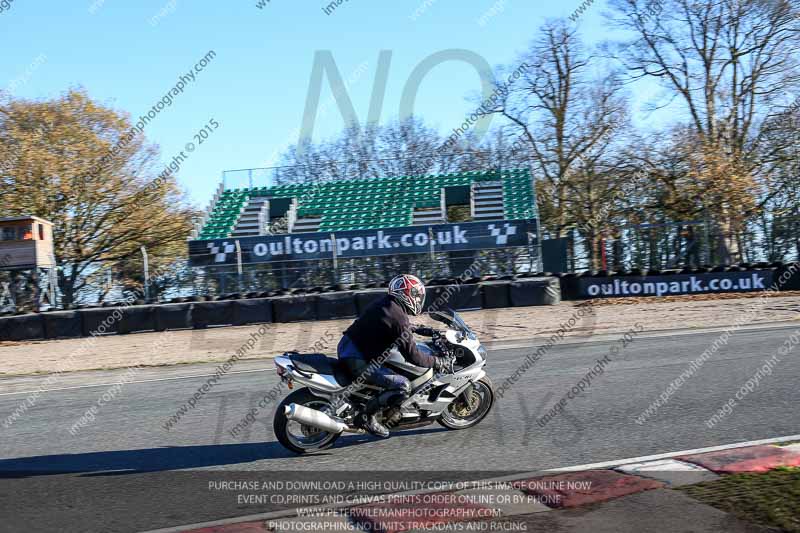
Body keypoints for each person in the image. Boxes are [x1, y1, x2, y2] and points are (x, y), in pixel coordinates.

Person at [337, 274, 450, 437]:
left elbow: (391, 325)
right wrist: (437, 362)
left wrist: (419, 329)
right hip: (357, 359)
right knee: (402, 385)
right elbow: (414, 357)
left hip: (348, 346)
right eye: (416, 295)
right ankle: (366, 417)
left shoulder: (387, 303)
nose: (418, 299)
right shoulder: (398, 317)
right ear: (407, 294)